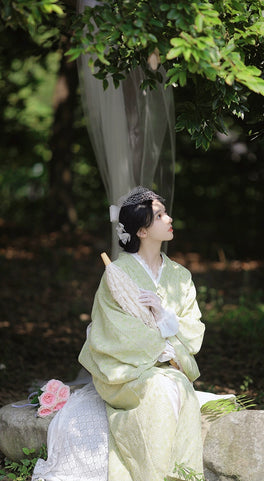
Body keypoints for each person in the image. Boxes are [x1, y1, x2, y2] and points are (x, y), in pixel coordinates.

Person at [32, 186, 205, 481]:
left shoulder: (180, 276)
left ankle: (180, 474)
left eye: (166, 213)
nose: (169, 218)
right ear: (142, 230)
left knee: (176, 385)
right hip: (125, 370)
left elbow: (193, 327)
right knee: (162, 389)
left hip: (171, 367)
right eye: (160, 215)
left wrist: (164, 317)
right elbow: (113, 331)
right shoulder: (118, 273)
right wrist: (162, 345)